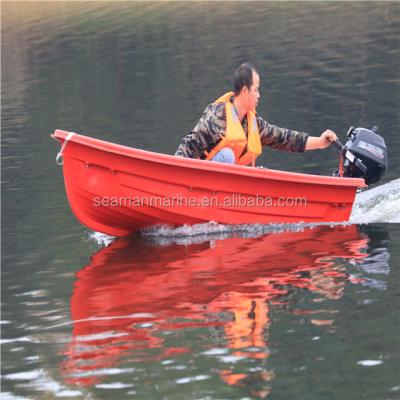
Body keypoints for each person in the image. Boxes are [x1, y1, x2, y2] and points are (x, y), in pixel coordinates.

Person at [174, 62, 337, 166]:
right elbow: (188, 145)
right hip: (198, 184)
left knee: (258, 171)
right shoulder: (217, 117)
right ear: (245, 90)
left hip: (226, 188)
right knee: (227, 155)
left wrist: (320, 142)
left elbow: (283, 138)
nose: (259, 95)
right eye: (256, 90)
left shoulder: (253, 122)